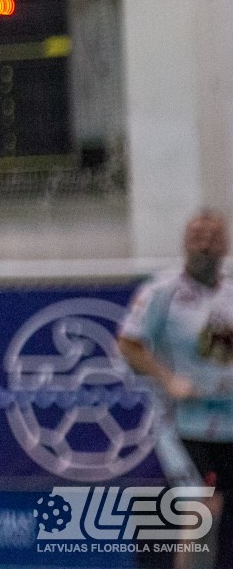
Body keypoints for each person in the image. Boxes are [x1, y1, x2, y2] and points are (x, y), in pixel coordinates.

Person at [121, 208, 233, 566]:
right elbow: (128, 345)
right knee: (203, 507)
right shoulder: (161, 292)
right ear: (185, 243)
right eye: (197, 237)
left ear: (224, 245)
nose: (205, 245)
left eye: (213, 238)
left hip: (228, 423)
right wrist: (168, 379)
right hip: (182, 424)